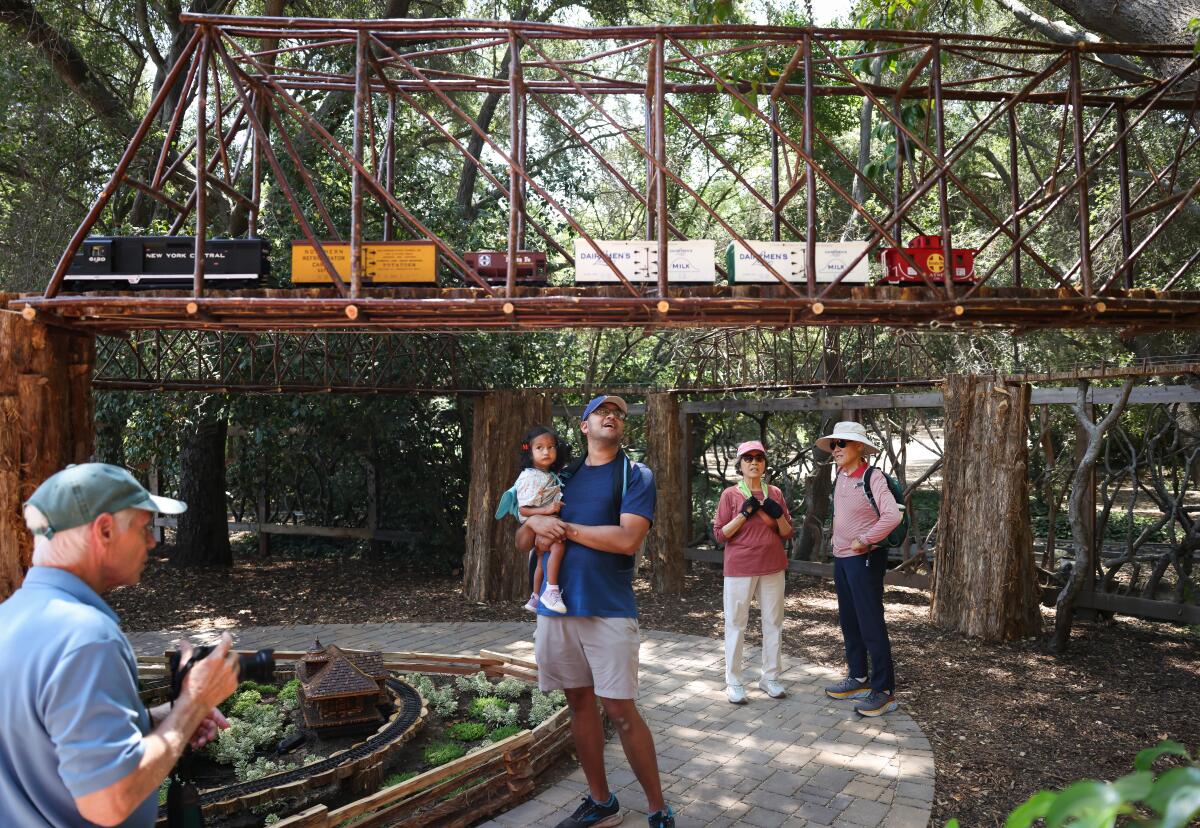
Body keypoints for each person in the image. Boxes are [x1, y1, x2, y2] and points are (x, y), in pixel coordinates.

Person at [0, 463, 241, 827]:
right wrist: (192, 706)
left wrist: (153, 720)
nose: (152, 541)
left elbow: (45, 740)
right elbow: (110, 801)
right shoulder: (86, 638)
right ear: (105, 530)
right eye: (143, 527)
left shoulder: (11, 618)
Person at [516, 395, 675, 828]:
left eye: (619, 414)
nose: (612, 416)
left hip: (608, 607)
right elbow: (521, 542)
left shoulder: (634, 476)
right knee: (579, 704)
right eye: (602, 411)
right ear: (584, 426)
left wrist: (565, 529)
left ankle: (658, 809)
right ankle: (601, 802)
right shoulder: (560, 477)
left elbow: (627, 540)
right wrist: (533, 523)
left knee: (621, 710)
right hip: (556, 611)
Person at [816, 422, 903, 717]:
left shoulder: (872, 477)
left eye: (842, 443)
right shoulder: (840, 474)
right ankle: (859, 678)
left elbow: (891, 516)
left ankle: (885, 691)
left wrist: (865, 539)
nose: (836, 449)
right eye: (833, 444)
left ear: (859, 448)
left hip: (865, 559)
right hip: (842, 560)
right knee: (849, 620)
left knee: (870, 623)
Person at [712, 440, 794, 704]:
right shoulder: (730, 495)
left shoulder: (776, 493)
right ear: (741, 465)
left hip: (772, 566)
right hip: (740, 568)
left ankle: (770, 677)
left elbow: (787, 532)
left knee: (773, 623)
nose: (754, 462)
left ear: (765, 463)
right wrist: (743, 514)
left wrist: (777, 514)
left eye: (759, 457)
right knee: (736, 624)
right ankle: (734, 681)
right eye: (748, 458)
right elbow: (719, 535)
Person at [514, 425, 571, 614]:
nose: (546, 451)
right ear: (529, 452)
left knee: (540, 561)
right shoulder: (530, 476)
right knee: (558, 546)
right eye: (539, 447)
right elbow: (523, 509)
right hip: (538, 524)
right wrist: (548, 509)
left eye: (551, 446)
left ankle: (535, 596)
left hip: (542, 524)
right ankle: (551, 589)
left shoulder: (547, 475)